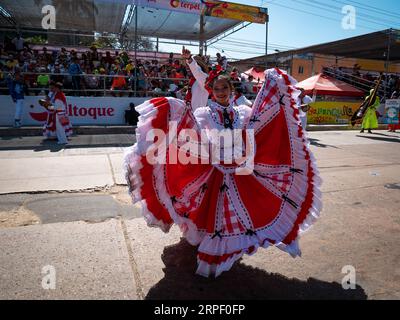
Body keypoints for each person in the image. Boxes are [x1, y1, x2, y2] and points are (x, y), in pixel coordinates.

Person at [124, 69, 322, 277]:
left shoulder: (243, 112)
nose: (220, 92)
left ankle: (227, 252)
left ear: (231, 89)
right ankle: (216, 254)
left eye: (224, 88)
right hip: (215, 172)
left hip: (240, 172)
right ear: (211, 91)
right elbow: (195, 139)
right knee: (215, 217)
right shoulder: (203, 115)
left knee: (241, 214)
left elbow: (259, 126)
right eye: (216, 89)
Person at [182, 47, 210, 111]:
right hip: (190, 115)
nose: (187, 68)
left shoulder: (204, 78)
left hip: (198, 116)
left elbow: (196, 71)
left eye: (188, 66)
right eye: (187, 66)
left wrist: (189, 59)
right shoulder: (193, 80)